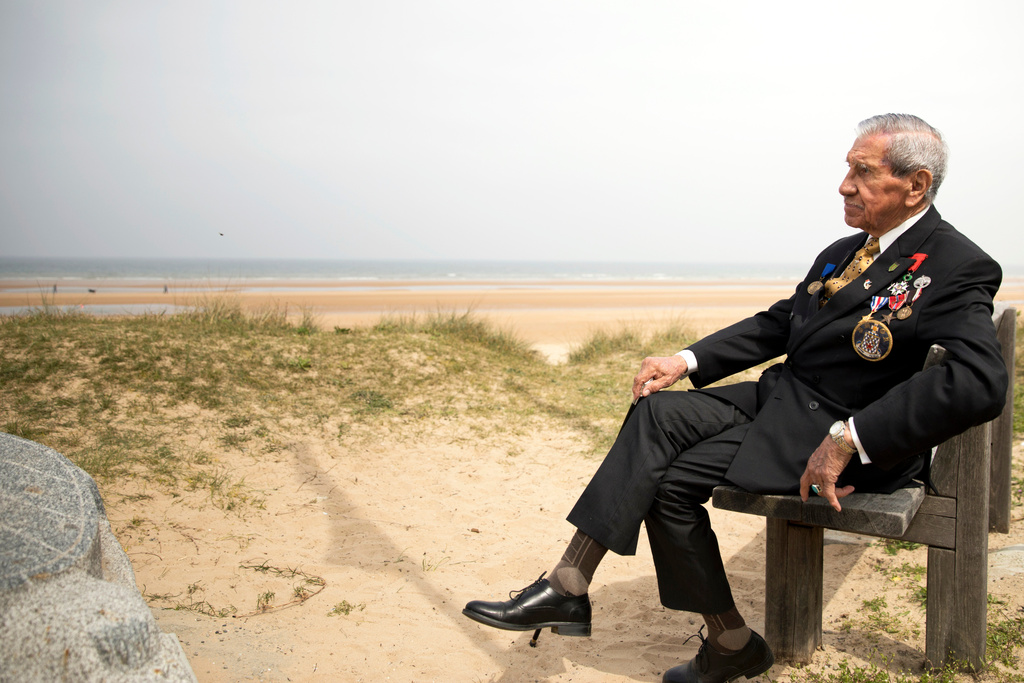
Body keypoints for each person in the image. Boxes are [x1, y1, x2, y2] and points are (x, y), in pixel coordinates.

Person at [462, 114, 1009, 683]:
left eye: (862, 172)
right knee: (655, 413)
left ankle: (723, 640)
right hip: (783, 405)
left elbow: (977, 381)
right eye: (848, 168)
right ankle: (569, 585)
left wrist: (851, 436)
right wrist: (685, 360)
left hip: (841, 444)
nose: (844, 184)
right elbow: (780, 324)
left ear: (915, 185)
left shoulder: (955, 264)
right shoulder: (845, 250)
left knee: (670, 487)